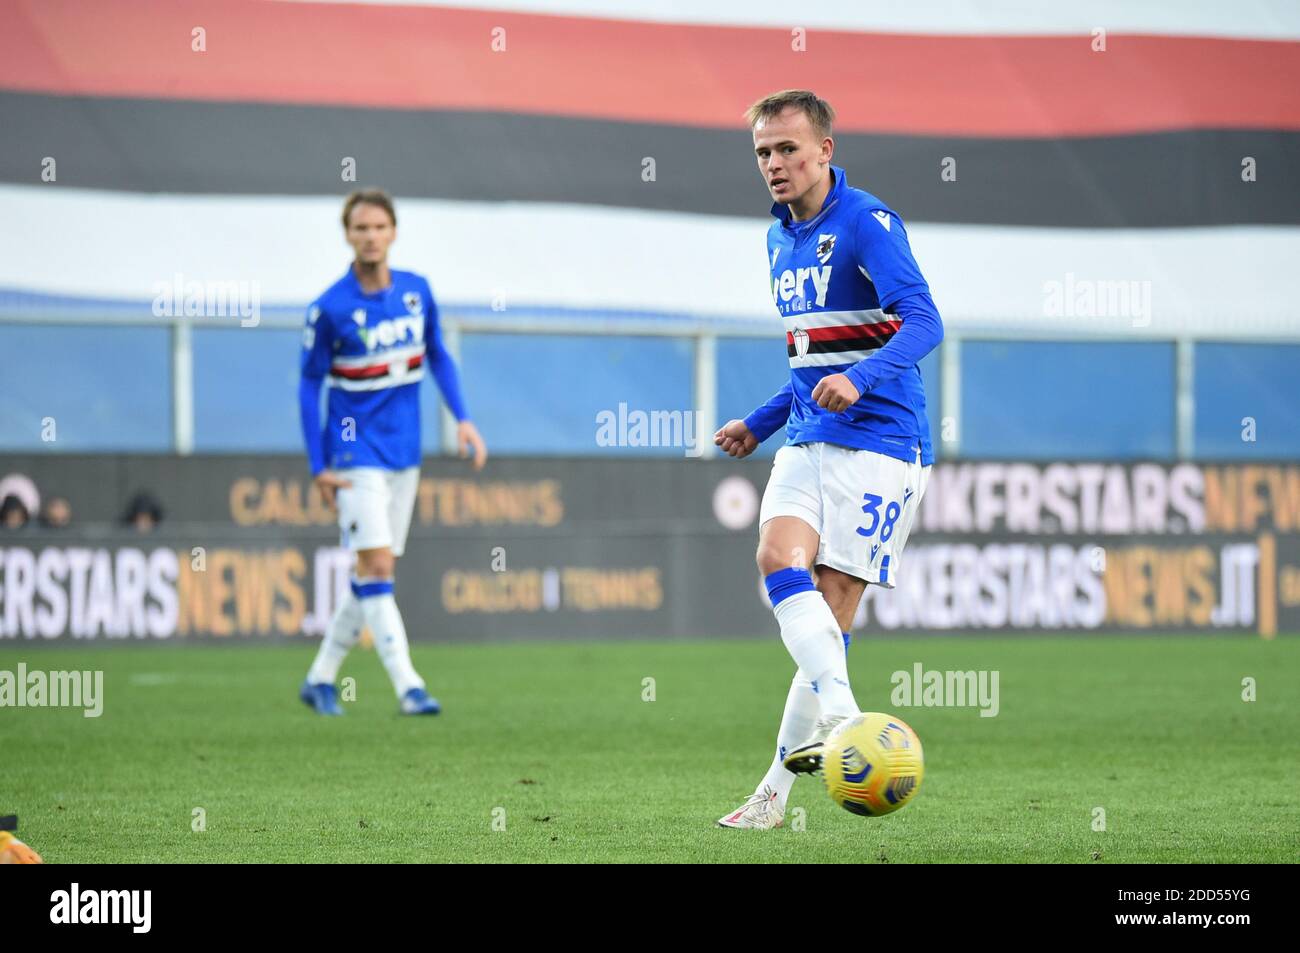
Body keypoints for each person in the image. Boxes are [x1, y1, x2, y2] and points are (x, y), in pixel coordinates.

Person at [714, 90, 943, 829]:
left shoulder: (867, 222)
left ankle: (772, 794)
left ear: (824, 151)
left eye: (786, 148)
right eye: (762, 153)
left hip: (882, 442)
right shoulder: (776, 238)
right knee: (777, 559)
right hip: (810, 435)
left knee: (833, 607)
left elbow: (926, 319)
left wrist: (863, 378)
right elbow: (812, 360)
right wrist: (760, 422)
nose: (774, 164)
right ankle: (847, 717)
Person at [298, 188, 487, 717]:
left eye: (379, 227)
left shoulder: (415, 292)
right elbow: (308, 386)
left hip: (405, 452)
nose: (371, 236)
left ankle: (319, 678)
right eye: (361, 228)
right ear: (348, 235)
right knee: (377, 565)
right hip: (355, 451)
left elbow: (438, 356)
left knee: (373, 573)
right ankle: (410, 686)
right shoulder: (329, 308)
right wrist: (319, 464)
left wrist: (464, 419)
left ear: (393, 232)